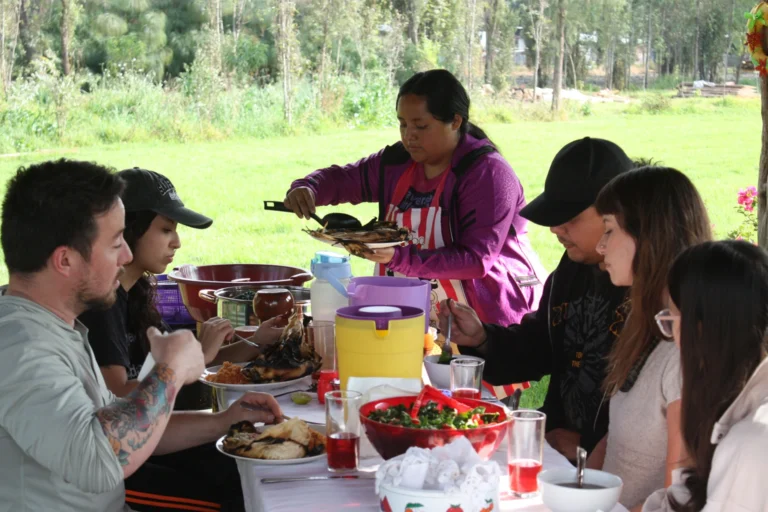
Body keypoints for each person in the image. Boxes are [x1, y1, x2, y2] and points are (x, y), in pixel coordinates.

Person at [0, 159, 282, 512]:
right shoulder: (22, 347)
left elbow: (123, 424)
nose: (128, 255)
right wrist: (170, 371)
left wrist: (224, 421)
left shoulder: (58, 327)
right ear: (65, 260)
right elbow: (100, 460)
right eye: (116, 243)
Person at [284, 69, 545, 333]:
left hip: (487, 320)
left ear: (455, 121)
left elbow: (476, 259)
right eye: (402, 124)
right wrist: (309, 187)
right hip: (412, 311)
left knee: (469, 374)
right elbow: (345, 179)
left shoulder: (487, 174)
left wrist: (398, 258)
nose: (409, 135)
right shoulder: (397, 163)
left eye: (421, 126)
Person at [439, 137, 635, 457]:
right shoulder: (572, 268)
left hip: (611, 467)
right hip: (555, 449)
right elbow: (540, 345)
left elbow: (654, 414)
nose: (556, 229)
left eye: (570, 218)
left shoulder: (650, 292)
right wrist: (483, 338)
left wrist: (587, 446)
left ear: (616, 213)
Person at [79, 168, 282, 401]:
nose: (177, 243)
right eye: (166, 230)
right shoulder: (103, 305)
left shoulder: (135, 292)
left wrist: (257, 342)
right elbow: (117, 397)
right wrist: (201, 353)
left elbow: (182, 364)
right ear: (128, 228)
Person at [588, 167, 711, 510]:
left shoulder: (683, 348)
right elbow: (616, 442)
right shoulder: (647, 326)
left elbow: (679, 494)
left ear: (650, 237)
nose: (600, 246)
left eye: (609, 230)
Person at [643, 241, 768, 512]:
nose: (674, 342)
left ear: (699, 330)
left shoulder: (750, 445)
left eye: (672, 321)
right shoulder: (737, 413)